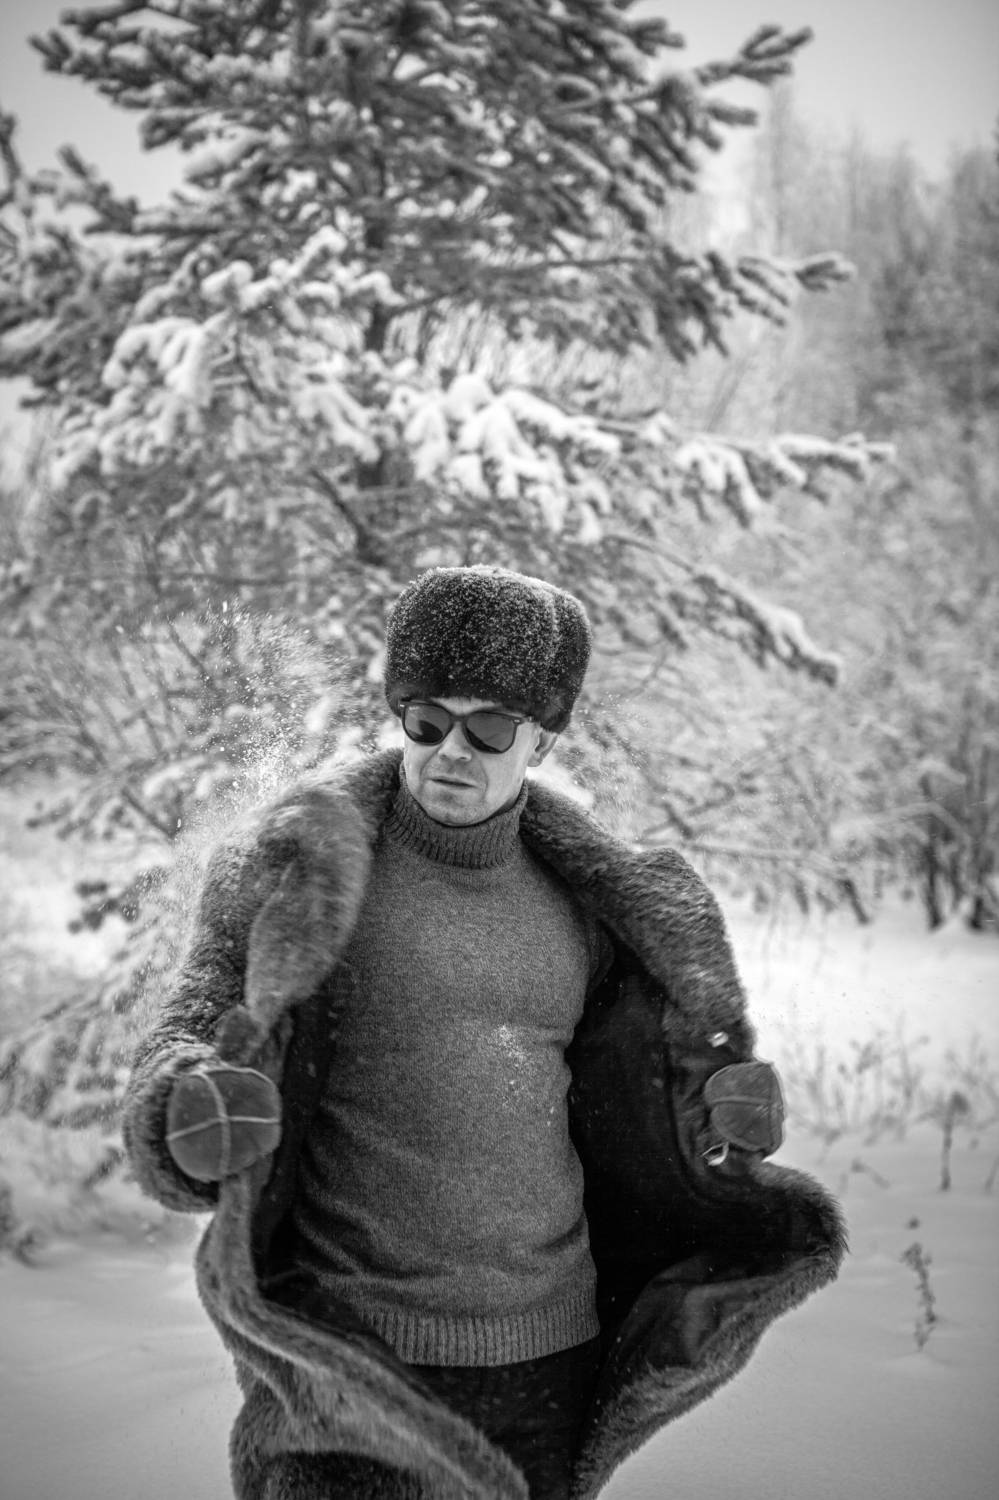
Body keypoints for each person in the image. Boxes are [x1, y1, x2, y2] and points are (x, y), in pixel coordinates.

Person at [123, 565, 844, 1500]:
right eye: (426, 721)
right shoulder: (301, 876)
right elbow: (186, 1031)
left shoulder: (595, 905)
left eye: (489, 729)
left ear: (542, 738)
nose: (449, 752)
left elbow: (643, 1097)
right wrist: (183, 1107)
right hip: (345, 1357)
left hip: (549, 1356)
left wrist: (719, 1116)